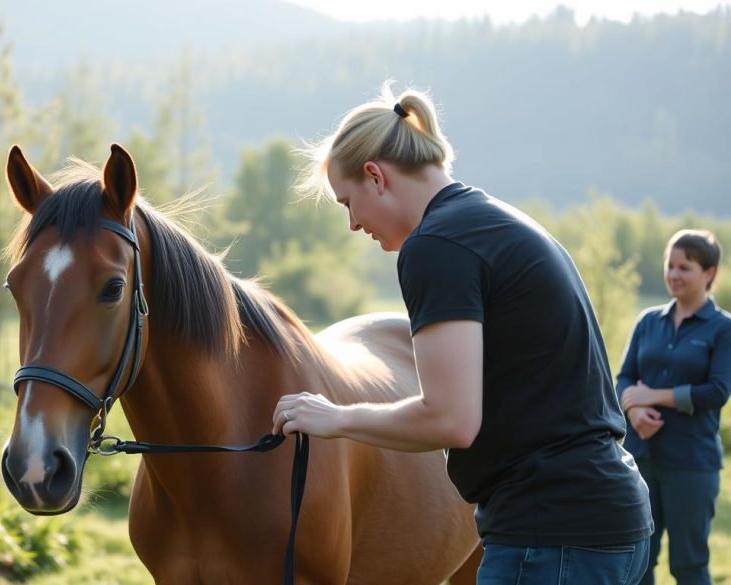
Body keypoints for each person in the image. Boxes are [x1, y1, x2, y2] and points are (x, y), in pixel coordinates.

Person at [270, 82, 653, 583]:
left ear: (375, 176)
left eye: (348, 203)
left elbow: (450, 419)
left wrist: (335, 417)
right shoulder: (490, 221)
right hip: (608, 520)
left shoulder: (437, 245)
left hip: (550, 537)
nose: (353, 224)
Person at [617, 229, 730, 585]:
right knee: (637, 562)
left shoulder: (723, 328)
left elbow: (717, 392)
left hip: (691, 466)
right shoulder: (648, 321)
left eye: (685, 267)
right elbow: (623, 379)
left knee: (688, 565)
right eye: (670, 265)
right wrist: (634, 412)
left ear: (709, 273)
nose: (674, 274)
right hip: (641, 458)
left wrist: (654, 396)